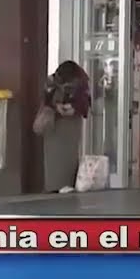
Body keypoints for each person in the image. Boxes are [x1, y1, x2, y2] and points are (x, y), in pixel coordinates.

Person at [34, 60, 92, 192]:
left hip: (68, 128)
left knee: (67, 161)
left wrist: (72, 108)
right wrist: (57, 107)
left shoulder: (81, 83)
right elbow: (46, 100)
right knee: (55, 160)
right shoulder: (52, 81)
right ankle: (55, 187)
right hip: (55, 127)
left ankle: (63, 187)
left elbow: (84, 104)